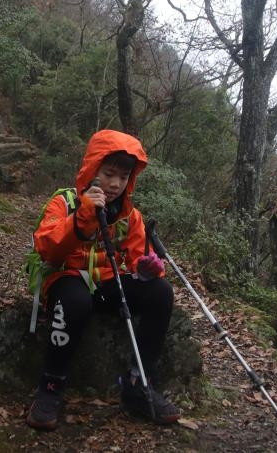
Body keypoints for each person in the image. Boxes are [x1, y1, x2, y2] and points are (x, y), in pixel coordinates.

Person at [26, 129, 180, 431]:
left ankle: (138, 384)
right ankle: (51, 387)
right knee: (74, 300)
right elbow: (48, 248)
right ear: (91, 168)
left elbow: (136, 256)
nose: (115, 184)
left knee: (160, 292)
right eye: (109, 173)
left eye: (123, 177)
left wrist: (148, 269)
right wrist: (84, 215)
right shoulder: (64, 202)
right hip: (65, 277)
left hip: (110, 283)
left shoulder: (129, 215)